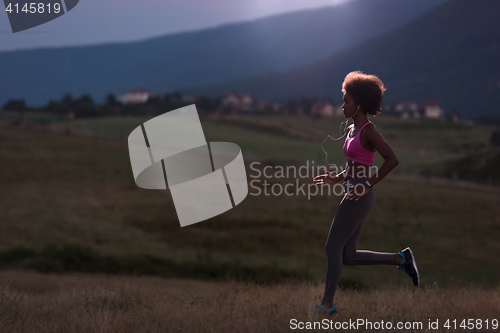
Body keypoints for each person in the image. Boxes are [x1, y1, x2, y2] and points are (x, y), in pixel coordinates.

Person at [311, 71, 419, 315]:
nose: (342, 106)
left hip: (361, 195)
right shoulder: (352, 130)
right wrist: (335, 178)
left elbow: (392, 160)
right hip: (352, 191)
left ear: (359, 103)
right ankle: (401, 259)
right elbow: (353, 165)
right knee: (347, 255)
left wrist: (367, 185)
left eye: (346, 101)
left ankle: (326, 306)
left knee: (332, 248)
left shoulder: (369, 131)